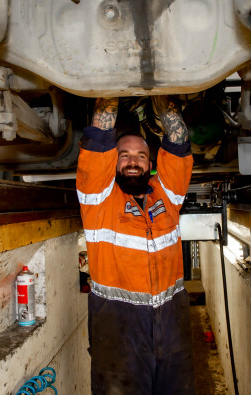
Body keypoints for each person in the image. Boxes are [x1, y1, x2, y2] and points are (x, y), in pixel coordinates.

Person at [76, 95, 195, 394]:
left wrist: (159, 89)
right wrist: (115, 82)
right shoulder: (98, 201)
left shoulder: (167, 196)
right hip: (119, 329)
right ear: (112, 162)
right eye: (124, 155)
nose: (132, 162)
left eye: (140, 156)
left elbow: (178, 140)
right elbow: (98, 138)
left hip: (172, 325)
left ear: (150, 164)